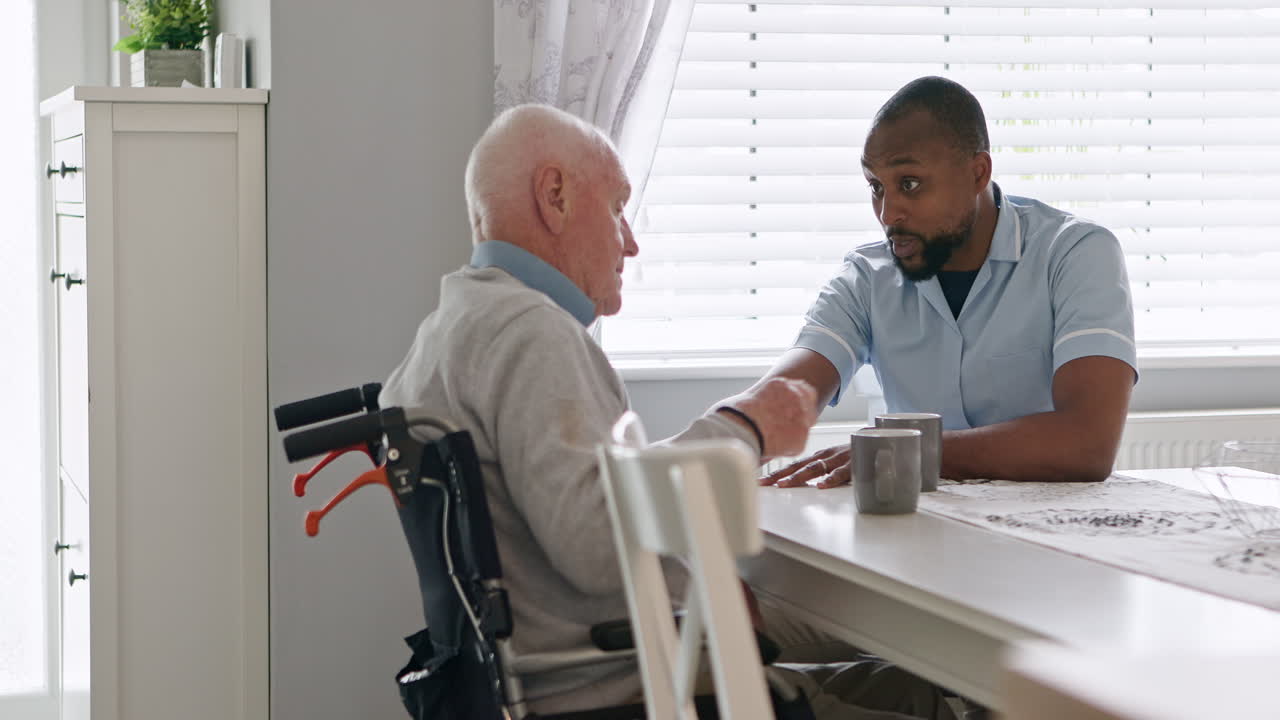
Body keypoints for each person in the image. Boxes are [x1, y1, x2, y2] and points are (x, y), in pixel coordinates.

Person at [380, 104, 956, 718]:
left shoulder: (447, 332)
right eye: (617, 208)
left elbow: (580, 494)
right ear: (554, 196)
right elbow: (600, 544)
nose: (630, 241)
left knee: (913, 683)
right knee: (935, 690)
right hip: (626, 690)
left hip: (553, 676)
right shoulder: (531, 333)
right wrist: (747, 427)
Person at [761, 76, 1139, 489]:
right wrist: (716, 436)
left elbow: (1087, 444)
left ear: (978, 172)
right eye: (876, 187)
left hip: (1052, 538)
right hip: (911, 530)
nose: (888, 214)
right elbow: (785, 392)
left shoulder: (1076, 253)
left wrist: (909, 448)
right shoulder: (866, 277)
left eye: (910, 183)